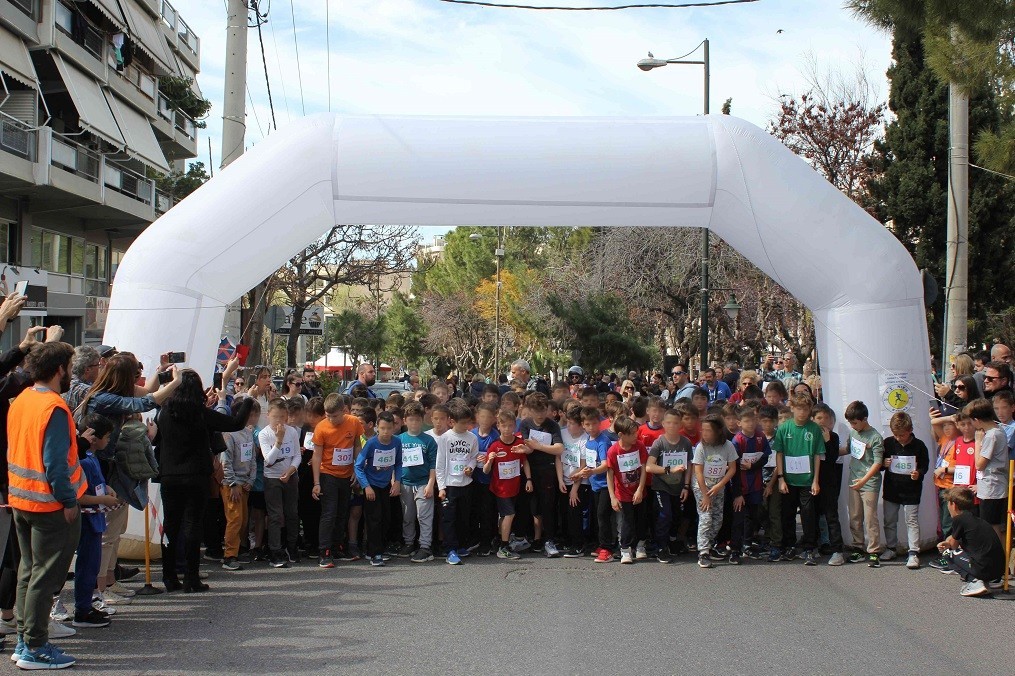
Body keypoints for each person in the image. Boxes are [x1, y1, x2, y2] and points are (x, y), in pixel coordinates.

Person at [8, 341, 84, 669]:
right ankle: (35, 647)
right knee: (43, 576)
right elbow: (54, 462)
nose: (70, 373)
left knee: (28, 572)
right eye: (69, 366)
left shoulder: (22, 399)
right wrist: (68, 500)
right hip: (48, 504)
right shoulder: (53, 406)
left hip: (21, 499)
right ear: (58, 370)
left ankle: (25, 642)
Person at [158, 371, 253, 592]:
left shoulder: (164, 412)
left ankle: (169, 576)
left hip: (169, 475)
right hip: (196, 475)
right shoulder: (201, 413)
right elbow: (236, 422)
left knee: (171, 526)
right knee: (193, 525)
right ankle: (191, 578)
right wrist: (248, 397)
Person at [71, 413, 118, 629]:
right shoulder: (82, 460)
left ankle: (87, 604)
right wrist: (103, 499)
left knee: (92, 565)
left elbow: (95, 484)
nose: (107, 441)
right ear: (94, 437)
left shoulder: (92, 458)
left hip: (96, 519)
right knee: (86, 566)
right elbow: (79, 497)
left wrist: (105, 489)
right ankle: (82, 609)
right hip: (87, 521)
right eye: (106, 437)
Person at [312, 394, 364, 566]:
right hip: (328, 474)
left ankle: (337, 547)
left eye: (334, 416)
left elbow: (357, 445)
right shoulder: (321, 428)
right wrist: (317, 482)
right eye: (328, 415)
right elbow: (317, 456)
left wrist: (357, 469)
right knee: (329, 513)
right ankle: (324, 551)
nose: (331, 419)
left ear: (344, 411)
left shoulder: (354, 422)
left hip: (347, 474)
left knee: (342, 512)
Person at [773, 393, 823, 565]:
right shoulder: (784, 428)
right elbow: (779, 453)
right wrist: (781, 478)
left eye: (805, 408)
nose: (802, 412)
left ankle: (810, 547)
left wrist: (816, 480)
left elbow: (817, 455)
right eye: (799, 408)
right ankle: (789, 546)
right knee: (787, 514)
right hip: (788, 479)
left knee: (808, 514)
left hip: (807, 480)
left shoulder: (814, 429)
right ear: (792, 409)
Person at [880, 411, 929, 569]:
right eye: (896, 434)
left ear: (910, 430)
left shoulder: (919, 445)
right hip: (891, 488)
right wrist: (884, 464)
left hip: (911, 490)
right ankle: (891, 547)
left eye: (902, 434)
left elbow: (924, 465)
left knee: (911, 521)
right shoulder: (888, 443)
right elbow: (878, 463)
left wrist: (918, 473)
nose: (899, 438)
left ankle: (913, 552)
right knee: (889, 520)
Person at [936, 487, 1006, 597]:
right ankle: (991, 580)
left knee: (947, 554)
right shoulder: (976, 519)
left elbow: (953, 546)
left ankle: (975, 581)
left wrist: (947, 545)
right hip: (998, 570)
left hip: (984, 569)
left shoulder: (959, 519)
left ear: (953, 505)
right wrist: (949, 542)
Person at [257, 398, 302, 568]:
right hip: (272, 478)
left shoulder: (292, 431)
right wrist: (279, 440)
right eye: (275, 417)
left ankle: (292, 546)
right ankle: (274, 550)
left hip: (290, 477)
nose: (279, 421)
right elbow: (268, 460)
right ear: (268, 415)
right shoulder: (264, 434)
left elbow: (297, 455)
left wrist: (291, 470)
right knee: (275, 515)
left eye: (282, 417)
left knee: (292, 513)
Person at [518, 393, 565, 558]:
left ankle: (549, 540)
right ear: (530, 410)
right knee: (531, 507)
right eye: (536, 410)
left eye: (543, 410)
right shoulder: (525, 424)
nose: (540, 414)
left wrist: (538, 446)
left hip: (547, 471)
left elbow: (559, 448)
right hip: (528, 471)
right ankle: (529, 538)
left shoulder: (552, 425)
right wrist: (531, 448)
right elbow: (525, 446)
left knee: (548, 507)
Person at [354, 412, 402, 567]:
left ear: (394, 427)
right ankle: (375, 554)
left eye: (389, 428)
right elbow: (358, 466)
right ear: (377, 427)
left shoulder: (396, 442)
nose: (386, 432)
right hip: (372, 486)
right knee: (374, 520)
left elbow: (399, 463)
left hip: (386, 485)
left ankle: (376, 549)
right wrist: (366, 486)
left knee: (386, 518)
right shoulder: (371, 444)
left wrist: (397, 482)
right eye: (382, 428)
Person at [690, 413, 738, 569]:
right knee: (706, 517)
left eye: (708, 430)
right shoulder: (701, 447)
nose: (705, 433)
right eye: (703, 430)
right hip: (702, 486)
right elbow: (698, 472)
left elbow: (732, 469)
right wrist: (705, 495)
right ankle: (703, 552)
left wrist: (720, 485)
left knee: (717, 519)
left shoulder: (728, 446)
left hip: (718, 486)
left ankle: (709, 545)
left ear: (718, 431)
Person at [645, 407, 692, 563]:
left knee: (676, 517)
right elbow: (649, 466)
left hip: (678, 487)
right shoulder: (659, 443)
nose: (672, 426)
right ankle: (661, 547)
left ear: (680, 425)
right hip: (661, 486)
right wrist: (669, 470)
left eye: (676, 423)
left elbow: (689, 464)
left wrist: (686, 485)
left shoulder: (686, 442)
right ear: (664, 424)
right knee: (665, 515)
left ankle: (672, 541)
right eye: (669, 422)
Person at [435, 402, 478, 565]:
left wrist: (470, 467)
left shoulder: (472, 437)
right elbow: (440, 464)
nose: (466, 426)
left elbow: (473, 457)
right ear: (452, 422)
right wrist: (441, 487)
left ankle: (460, 545)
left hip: (465, 484)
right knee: (449, 518)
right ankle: (450, 549)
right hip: (449, 485)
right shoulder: (445, 438)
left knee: (463, 517)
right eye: (463, 423)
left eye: (468, 422)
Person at [485, 409, 532, 560]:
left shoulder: (519, 443)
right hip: (500, 489)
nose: (507, 429)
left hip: (515, 487)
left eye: (510, 426)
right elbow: (486, 470)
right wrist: (490, 460)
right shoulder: (494, 445)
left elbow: (525, 461)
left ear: (514, 427)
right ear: (498, 426)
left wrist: (529, 479)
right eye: (504, 426)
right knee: (510, 514)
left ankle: (500, 539)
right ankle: (504, 547)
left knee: (505, 516)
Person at [220, 399, 259, 571]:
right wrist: (233, 483)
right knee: (234, 519)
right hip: (232, 484)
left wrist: (250, 480)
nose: (252, 418)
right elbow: (225, 460)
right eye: (248, 414)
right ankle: (229, 555)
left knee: (243, 520)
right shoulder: (229, 434)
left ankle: (239, 548)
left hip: (245, 484)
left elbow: (252, 459)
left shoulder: (248, 433)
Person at [844, 400, 884, 567]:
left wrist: (864, 480)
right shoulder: (853, 433)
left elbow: (878, 462)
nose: (852, 426)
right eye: (850, 423)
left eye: (854, 422)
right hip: (854, 479)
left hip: (869, 482)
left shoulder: (875, 437)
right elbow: (847, 449)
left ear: (864, 419)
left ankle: (874, 551)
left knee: (870, 518)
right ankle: (858, 547)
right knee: (854, 516)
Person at [397, 402, 438, 563]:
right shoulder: (399, 439)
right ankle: (409, 543)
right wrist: (396, 481)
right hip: (405, 483)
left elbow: (433, 464)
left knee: (424, 516)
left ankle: (425, 547)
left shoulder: (429, 441)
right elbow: (396, 463)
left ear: (422, 421)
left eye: (417, 420)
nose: (414, 423)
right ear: (405, 421)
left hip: (423, 483)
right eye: (411, 420)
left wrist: (430, 484)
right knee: (408, 515)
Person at [605, 416, 649, 565]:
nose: (635, 436)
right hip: (623, 493)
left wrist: (640, 490)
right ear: (621, 435)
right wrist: (612, 497)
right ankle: (625, 549)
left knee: (642, 519)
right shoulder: (613, 451)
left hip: (638, 491)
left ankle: (640, 545)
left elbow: (644, 468)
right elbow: (609, 475)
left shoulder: (640, 446)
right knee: (627, 522)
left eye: (636, 433)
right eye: (631, 434)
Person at [730, 406, 771, 563]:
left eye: (753, 420)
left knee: (753, 516)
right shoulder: (737, 441)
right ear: (739, 423)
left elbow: (766, 457)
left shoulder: (761, 437)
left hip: (756, 484)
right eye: (747, 421)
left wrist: (753, 465)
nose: (751, 424)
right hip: (740, 485)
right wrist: (738, 492)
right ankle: (736, 548)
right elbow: (733, 465)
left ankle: (748, 543)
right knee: (739, 517)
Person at [966, 398, 1009, 547]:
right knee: (992, 524)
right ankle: (998, 560)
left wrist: (977, 441)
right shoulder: (997, 430)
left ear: (977, 420)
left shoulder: (992, 435)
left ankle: (997, 560)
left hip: (993, 486)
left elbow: (979, 464)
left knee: (992, 525)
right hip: (990, 485)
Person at [580, 406, 616, 563]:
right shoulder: (588, 440)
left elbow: (605, 464)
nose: (591, 427)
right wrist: (580, 473)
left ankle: (608, 549)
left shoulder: (603, 441)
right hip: (595, 484)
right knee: (597, 516)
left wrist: (592, 472)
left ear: (599, 424)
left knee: (603, 516)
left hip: (605, 486)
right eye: (587, 424)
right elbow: (589, 463)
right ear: (583, 425)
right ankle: (602, 544)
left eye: (594, 424)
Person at [812, 403, 846, 565]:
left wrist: (827, 441)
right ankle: (812, 546)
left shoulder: (834, 437)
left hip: (829, 483)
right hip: (810, 481)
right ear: (812, 419)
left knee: (831, 515)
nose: (822, 421)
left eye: (826, 418)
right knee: (811, 514)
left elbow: (832, 457)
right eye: (819, 418)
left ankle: (837, 550)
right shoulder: (808, 434)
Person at [558, 405, 589, 558]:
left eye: (572, 423)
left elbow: (583, 465)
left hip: (579, 482)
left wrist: (574, 488)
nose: (568, 426)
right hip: (563, 478)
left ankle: (578, 545)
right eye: (567, 422)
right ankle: (567, 541)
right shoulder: (562, 434)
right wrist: (560, 480)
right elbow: (557, 457)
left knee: (574, 513)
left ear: (580, 424)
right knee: (564, 513)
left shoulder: (585, 439)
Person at [62, 346, 101, 414]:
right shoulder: (84, 390)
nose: (100, 368)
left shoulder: (64, 381)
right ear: (87, 369)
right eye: (98, 364)